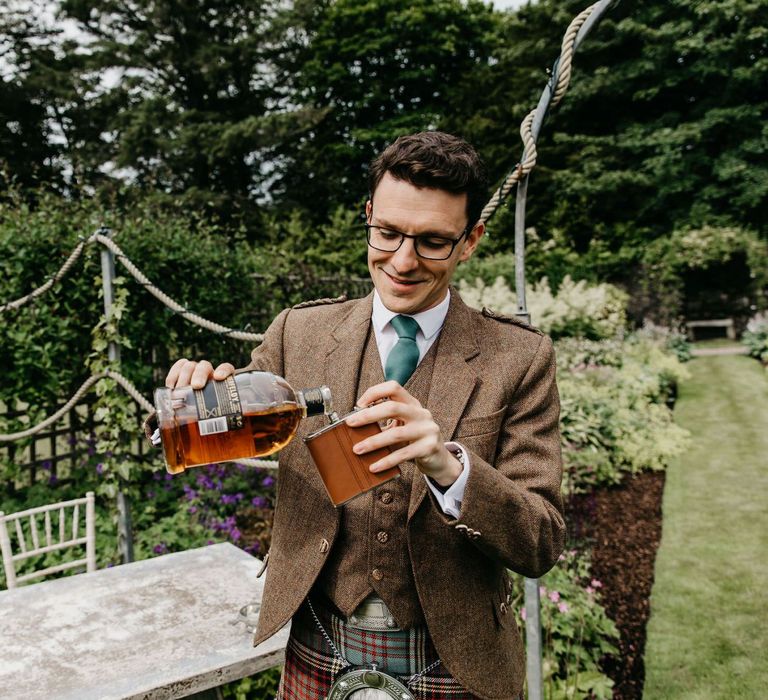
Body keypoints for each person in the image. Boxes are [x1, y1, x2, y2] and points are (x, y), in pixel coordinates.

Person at [164, 131, 564, 699]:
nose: (403, 261)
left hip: (457, 659)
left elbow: (541, 540)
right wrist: (193, 396)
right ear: (369, 216)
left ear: (470, 240)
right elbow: (216, 427)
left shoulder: (519, 358)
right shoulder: (296, 333)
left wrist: (450, 467)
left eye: (432, 242)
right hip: (319, 641)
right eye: (388, 233)